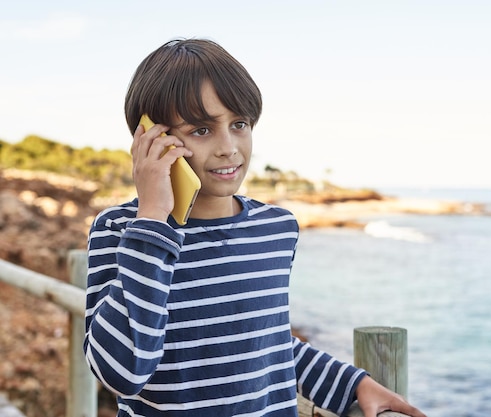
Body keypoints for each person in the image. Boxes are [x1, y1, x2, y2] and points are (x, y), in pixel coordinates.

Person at [83, 38, 427, 417]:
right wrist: (152, 220)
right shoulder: (122, 232)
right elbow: (120, 372)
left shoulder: (276, 229)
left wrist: (353, 383)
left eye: (240, 124)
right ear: (151, 139)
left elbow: (266, 344)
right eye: (201, 130)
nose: (229, 147)